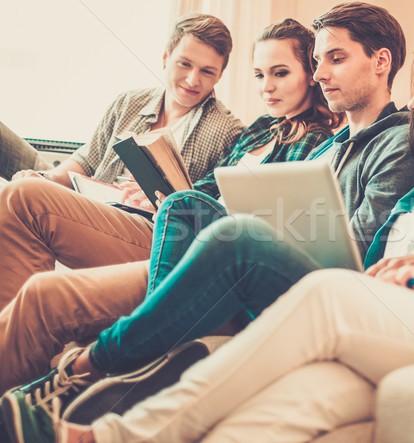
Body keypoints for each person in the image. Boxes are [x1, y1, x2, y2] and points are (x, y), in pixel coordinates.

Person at [10, 9, 414, 443]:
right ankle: (90, 436)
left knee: (243, 244)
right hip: (385, 293)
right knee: (289, 399)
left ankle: (109, 365)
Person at [0, 0, 414, 409]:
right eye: (317, 61)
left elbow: (363, 245)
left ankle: (135, 353)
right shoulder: (327, 146)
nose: (321, 74)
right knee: (176, 209)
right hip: (232, 253)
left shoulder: (396, 141)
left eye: (335, 59)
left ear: (381, 61)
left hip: (284, 280)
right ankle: (131, 345)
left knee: (52, 270)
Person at [0, 13, 244, 309]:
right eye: (185, 64)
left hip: (134, 226)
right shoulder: (130, 102)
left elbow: (213, 213)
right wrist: (46, 180)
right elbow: (84, 163)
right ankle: (18, 326)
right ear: (165, 57)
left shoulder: (227, 132)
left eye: (207, 71)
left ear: (220, 75)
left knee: (20, 198)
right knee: (24, 181)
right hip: (85, 197)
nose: (193, 80)